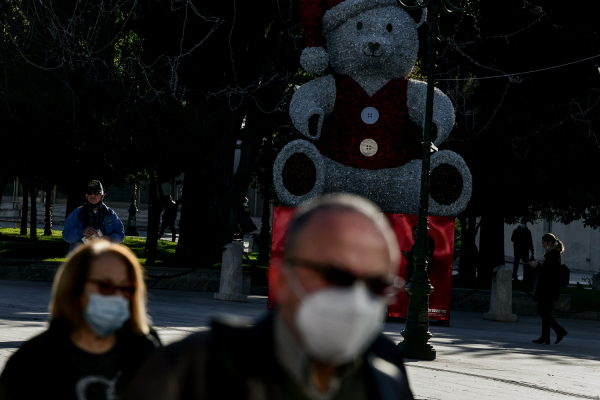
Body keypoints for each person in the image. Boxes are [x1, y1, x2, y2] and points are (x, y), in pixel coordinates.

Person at [123, 194, 414, 399]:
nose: (356, 299)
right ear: (281, 279)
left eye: (376, 285)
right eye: (337, 276)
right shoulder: (193, 368)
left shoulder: (387, 376)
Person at [0, 241, 160, 400]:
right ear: (74, 288)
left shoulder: (146, 351)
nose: (118, 297)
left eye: (126, 289)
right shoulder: (31, 363)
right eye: (105, 286)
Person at [62, 180, 125, 252]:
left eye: (96, 192)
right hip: (82, 257)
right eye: (89, 192)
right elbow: (66, 236)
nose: (92, 195)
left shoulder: (110, 214)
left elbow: (121, 235)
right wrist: (82, 232)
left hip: (103, 257)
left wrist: (110, 239)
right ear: (86, 195)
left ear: (102, 196)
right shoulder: (77, 213)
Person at [529, 233, 568, 345]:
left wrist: (537, 266)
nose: (543, 245)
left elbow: (549, 272)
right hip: (549, 288)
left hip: (549, 289)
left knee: (542, 311)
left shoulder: (553, 254)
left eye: (544, 243)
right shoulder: (552, 253)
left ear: (550, 243)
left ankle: (559, 330)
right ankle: (545, 336)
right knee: (545, 312)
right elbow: (549, 270)